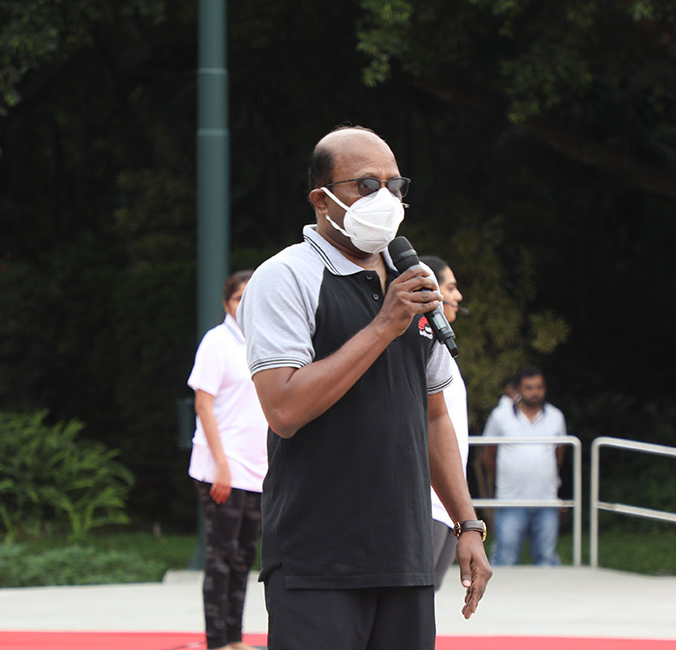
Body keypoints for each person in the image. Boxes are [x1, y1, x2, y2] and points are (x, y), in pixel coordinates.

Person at [237, 125, 491, 650]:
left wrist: (467, 524)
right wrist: (383, 325)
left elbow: (435, 415)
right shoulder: (286, 277)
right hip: (317, 559)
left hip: (405, 552)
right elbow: (283, 409)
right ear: (321, 199)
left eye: (395, 186)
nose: (386, 199)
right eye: (366, 185)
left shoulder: (410, 279)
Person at [187, 269, 268, 650]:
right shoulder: (217, 342)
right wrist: (221, 465)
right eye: (239, 298)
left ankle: (234, 638)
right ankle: (217, 640)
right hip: (222, 468)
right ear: (226, 303)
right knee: (221, 556)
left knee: (243, 558)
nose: (245, 305)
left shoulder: (264, 341)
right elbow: (203, 405)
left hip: (256, 472)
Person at [481, 365, 566, 566]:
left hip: (546, 502)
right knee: (505, 558)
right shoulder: (500, 416)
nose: (535, 392)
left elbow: (559, 454)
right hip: (510, 502)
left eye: (539, 387)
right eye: (529, 388)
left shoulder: (556, 416)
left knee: (546, 558)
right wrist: (505, 478)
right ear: (519, 389)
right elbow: (487, 456)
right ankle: (500, 597)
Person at [419, 255, 469, 591]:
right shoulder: (416, 343)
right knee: (411, 606)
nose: (458, 296)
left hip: (446, 507)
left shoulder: (440, 349)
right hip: (425, 503)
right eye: (450, 287)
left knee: (424, 606)